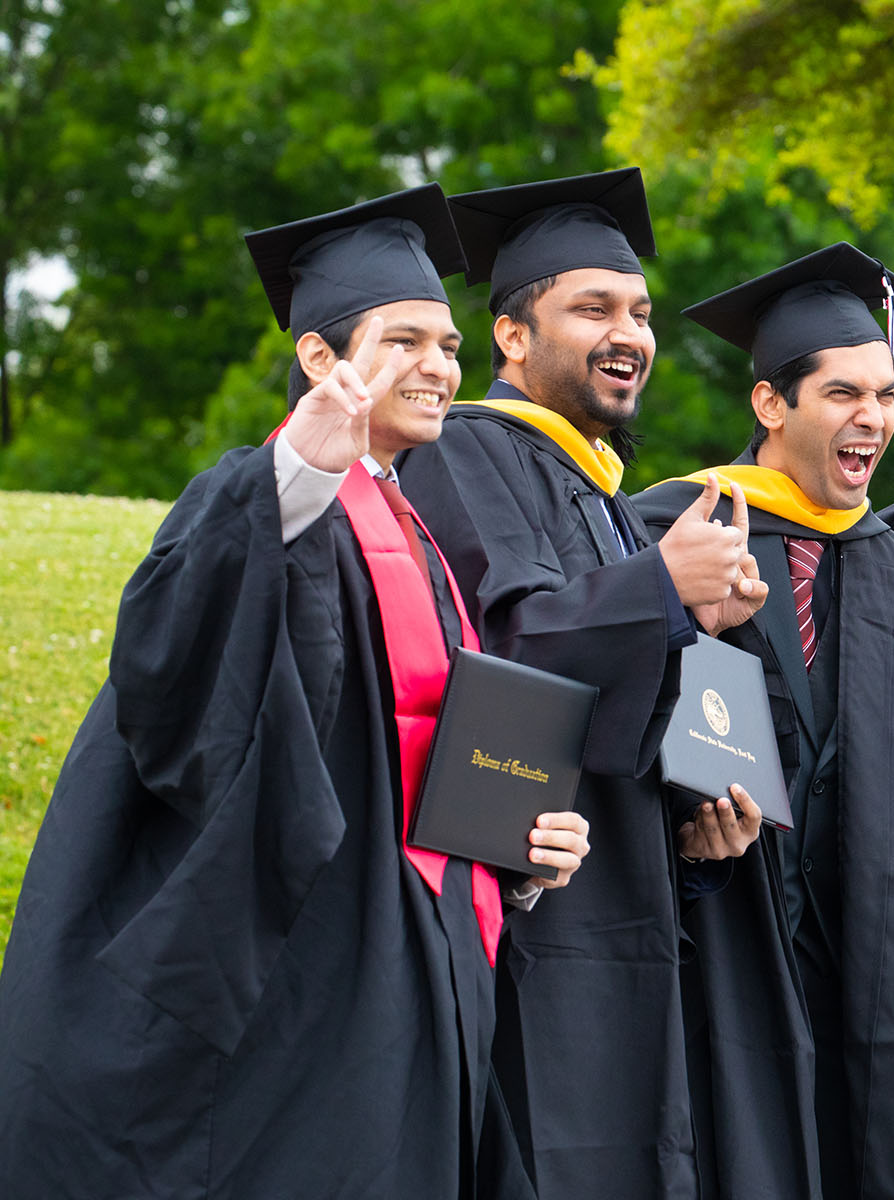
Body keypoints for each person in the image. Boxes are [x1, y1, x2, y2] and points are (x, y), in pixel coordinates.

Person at [0, 186, 591, 1199]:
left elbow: (423, 771)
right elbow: (174, 687)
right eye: (403, 338)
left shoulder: (420, 541)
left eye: (448, 345)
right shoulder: (255, 507)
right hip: (300, 989)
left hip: (420, 978)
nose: (441, 366)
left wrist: (521, 852)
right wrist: (294, 476)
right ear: (321, 359)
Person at [396, 169, 777, 1197]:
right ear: (513, 336)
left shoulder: (599, 489)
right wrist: (659, 587)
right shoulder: (467, 453)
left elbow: (618, 697)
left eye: (641, 312)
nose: (629, 332)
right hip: (531, 916)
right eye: (594, 307)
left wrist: (703, 820)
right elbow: (509, 653)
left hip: (622, 921)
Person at [633, 243, 894, 1200]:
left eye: (885, 397)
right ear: (772, 405)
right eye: (845, 394)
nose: (875, 420)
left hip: (871, 927)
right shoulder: (674, 534)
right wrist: (683, 838)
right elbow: (624, 715)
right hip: (731, 919)